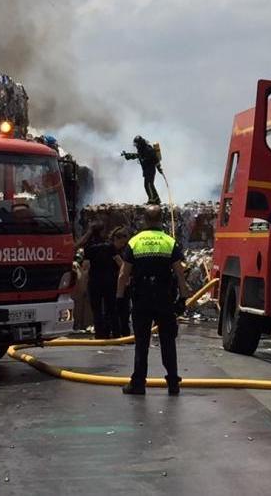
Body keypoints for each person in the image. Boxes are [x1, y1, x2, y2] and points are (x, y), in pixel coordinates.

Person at [118, 206, 190, 396]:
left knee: (142, 342)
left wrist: (119, 299)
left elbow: (123, 274)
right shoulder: (169, 242)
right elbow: (180, 273)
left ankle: (138, 384)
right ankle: (173, 383)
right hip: (164, 298)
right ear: (160, 220)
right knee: (168, 341)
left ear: (144, 220)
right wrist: (183, 298)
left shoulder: (135, 242)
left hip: (141, 298)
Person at [83, 226, 131, 339]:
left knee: (97, 310)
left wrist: (85, 284)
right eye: (122, 243)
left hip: (94, 282)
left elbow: (85, 267)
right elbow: (120, 263)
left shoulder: (89, 248)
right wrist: (127, 276)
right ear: (117, 239)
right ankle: (116, 333)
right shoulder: (111, 248)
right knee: (112, 309)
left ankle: (100, 334)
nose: (123, 246)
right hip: (109, 282)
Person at [122, 136, 163, 205]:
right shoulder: (142, 150)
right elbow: (138, 156)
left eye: (136, 145)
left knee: (148, 185)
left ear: (140, 144)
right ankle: (156, 199)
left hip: (150, 170)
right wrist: (128, 156)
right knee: (149, 185)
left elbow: (155, 159)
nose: (136, 146)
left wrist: (159, 168)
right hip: (146, 170)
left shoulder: (148, 149)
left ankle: (152, 200)